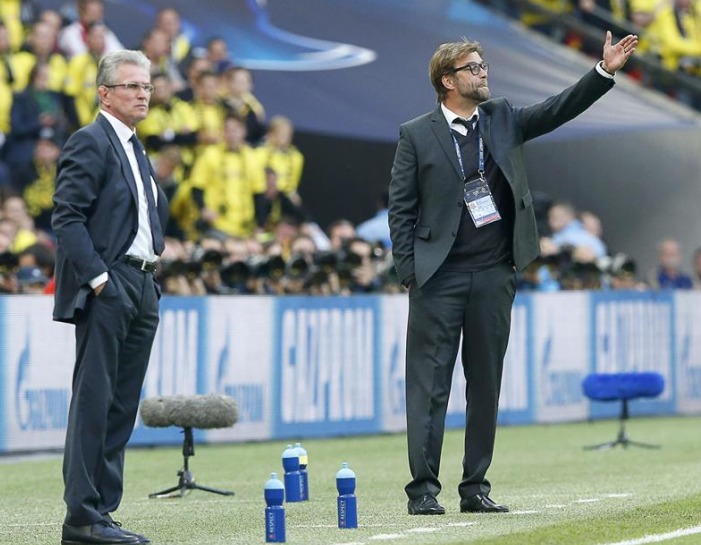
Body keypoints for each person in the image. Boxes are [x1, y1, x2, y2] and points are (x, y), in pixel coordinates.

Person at [388, 31, 637, 516]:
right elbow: (401, 209)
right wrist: (410, 273)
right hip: (438, 278)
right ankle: (423, 492)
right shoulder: (415, 134)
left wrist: (603, 72)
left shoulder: (501, 117)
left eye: (483, 66)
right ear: (447, 80)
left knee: (485, 385)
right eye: (473, 68)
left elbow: (557, 109)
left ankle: (474, 488)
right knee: (429, 387)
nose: (483, 73)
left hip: (494, 274)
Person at [52, 49, 167, 545]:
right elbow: (66, 217)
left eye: (147, 86)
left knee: (121, 405)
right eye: (132, 86)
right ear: (104, 93)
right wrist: (99, 280)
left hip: (142, 284)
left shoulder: (134, 147)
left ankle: (102, 512)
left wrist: (150, 277)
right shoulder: (90, 141)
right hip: (110, 284)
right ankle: (81, 517)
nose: (142, 94)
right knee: (95, 401)